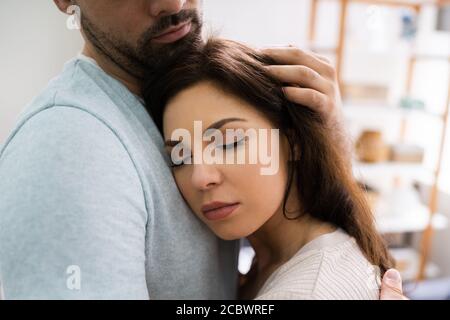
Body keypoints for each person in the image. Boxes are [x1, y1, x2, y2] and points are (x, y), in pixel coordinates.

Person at [0, 0, 406, 299]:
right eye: (178, 155)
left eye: (228, 141)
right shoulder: (69, 150)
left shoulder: (166, 104)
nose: (173, 3)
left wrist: (326, 145)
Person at [143, 38, 394, 299]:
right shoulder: (268, 263)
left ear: (293, 140)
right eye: (181, 157)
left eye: (230, 142)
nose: (200, 177)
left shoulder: (307, 290)